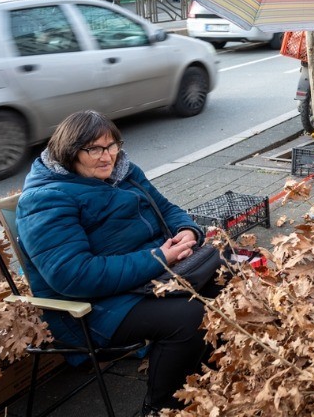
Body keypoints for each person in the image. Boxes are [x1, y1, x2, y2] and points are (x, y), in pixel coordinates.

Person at [16, 110, 217, 415]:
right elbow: (74, 276)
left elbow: (166, 207)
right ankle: (163, 406)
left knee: (227, 272)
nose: (107, 156)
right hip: (92, 308)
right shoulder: (47, 199)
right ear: (70, 152)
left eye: (112, 146)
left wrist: (186, 231)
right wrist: (161, 257)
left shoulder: (123, 172)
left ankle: (211, 372)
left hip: (147, 278)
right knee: (190, 316)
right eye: (94, 149)